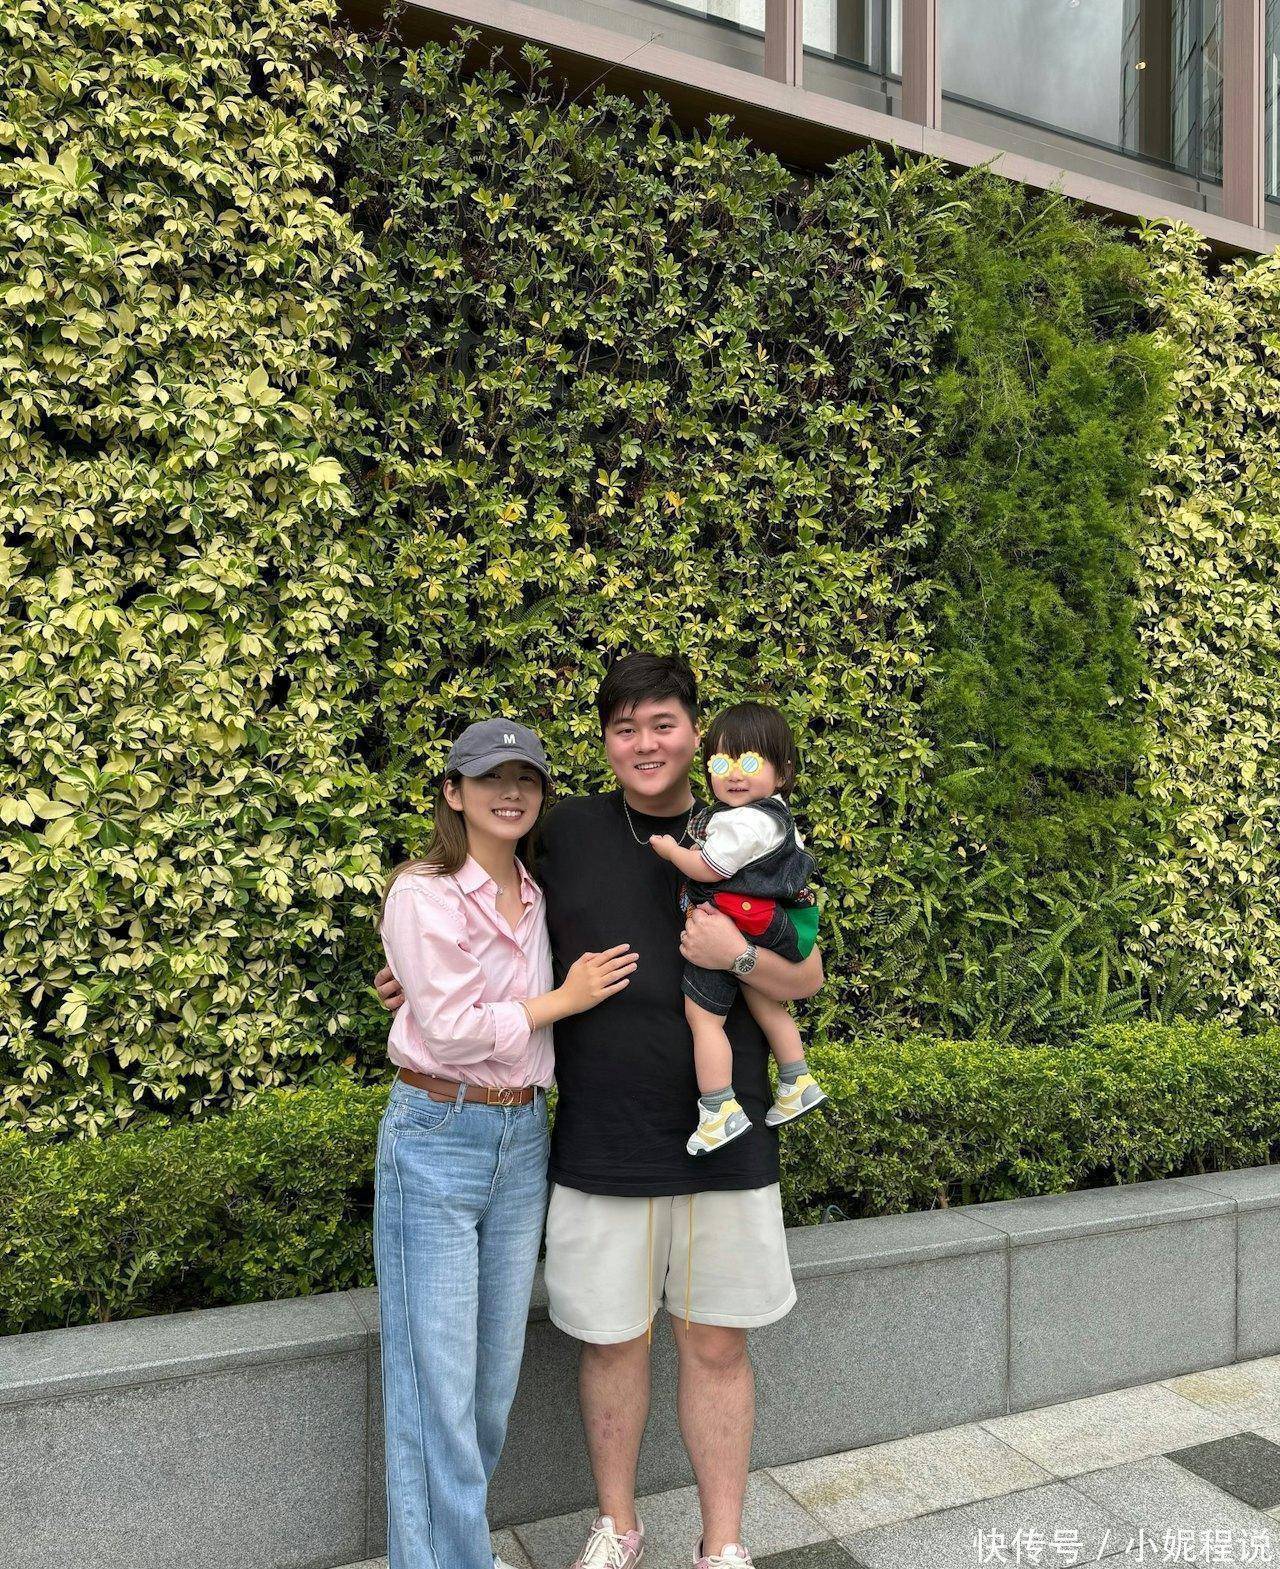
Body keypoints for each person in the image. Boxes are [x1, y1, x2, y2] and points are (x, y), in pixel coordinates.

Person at [376, 656, 824, 1569]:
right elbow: (479, 909)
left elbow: (806, 975)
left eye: (663, 724)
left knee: (717, 1345)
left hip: (726, 1131)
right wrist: (411, 981)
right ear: (607, 742)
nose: (645, 743)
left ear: (697, 735)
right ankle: (617, 1527)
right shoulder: (567, 831)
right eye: (625, 728)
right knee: (611, 1344)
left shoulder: (750, 831)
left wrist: (736, 956)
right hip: (596, 1138)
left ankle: (723, 1544)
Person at [374, 717, 636, 1569]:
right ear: (454, 792)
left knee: (490, 1384)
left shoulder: (537, 892)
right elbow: (452, 1030)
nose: (510, 792)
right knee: (436, 1385)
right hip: (437, 1133)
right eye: (490, 778)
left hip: (522, 1135)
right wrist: (565, 998)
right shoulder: (423, 892)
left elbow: (446, 1000)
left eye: (525, 778)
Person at [650, 701, 828, 1156]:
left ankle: (718, 1109)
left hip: (737, 924)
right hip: (771, 923)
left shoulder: (743, 821)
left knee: (705, 1019)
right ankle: (797, 1079)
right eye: (721, 762)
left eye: (750, 762)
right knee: (766, 1001)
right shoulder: (776, 817)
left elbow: (708, 868)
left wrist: (671, 851)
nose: (733, 774)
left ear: (783, 772)